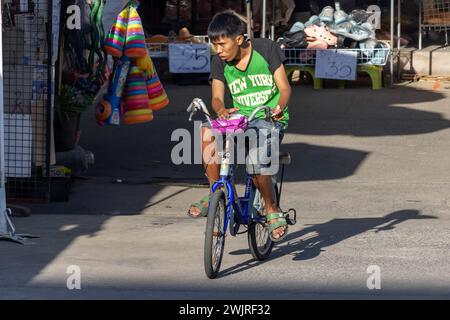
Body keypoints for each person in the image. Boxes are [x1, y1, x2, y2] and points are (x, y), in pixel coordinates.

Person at [187, 10, 292, 241]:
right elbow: (216, 97)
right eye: (215, 45)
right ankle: (215, 194)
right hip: (239, 119)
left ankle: (271, 208)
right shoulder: (219, 62)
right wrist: (221, 109)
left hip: (268, 117)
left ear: (239, 38)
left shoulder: (266, 49)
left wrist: (279, 108)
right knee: (206, 131)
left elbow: (284, 88)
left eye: (222, 44)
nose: (219, 51)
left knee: (255, 162)